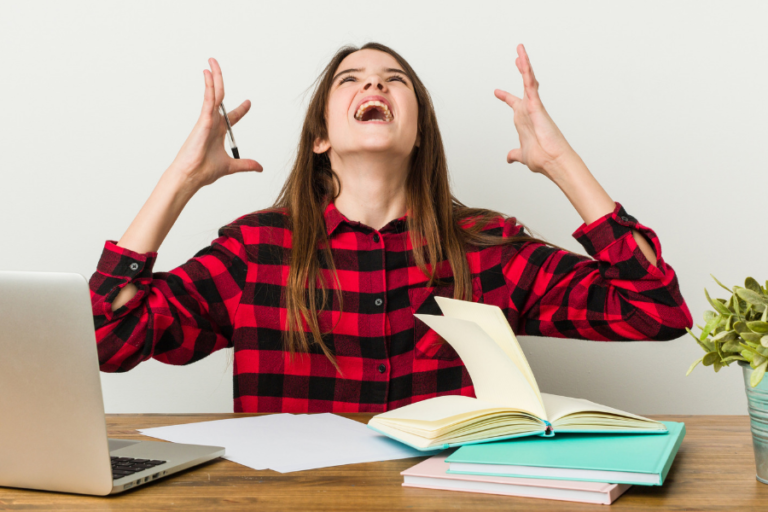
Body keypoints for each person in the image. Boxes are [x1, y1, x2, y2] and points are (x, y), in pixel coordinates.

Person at [89, 42, 693, 413]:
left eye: (393, 79)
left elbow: (656, 312)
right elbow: (105, 339)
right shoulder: (256, 250)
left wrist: (562, 164)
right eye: (350, 79)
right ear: (321, 137)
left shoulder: (488, 246)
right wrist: (181, 179)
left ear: (419, 133)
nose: (374, 84)